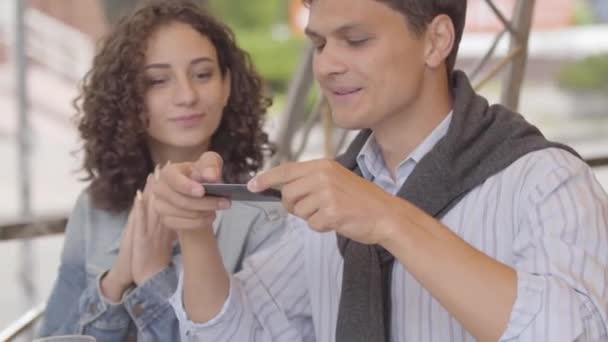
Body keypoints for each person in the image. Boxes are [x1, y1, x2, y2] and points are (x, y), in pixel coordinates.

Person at [153, 0, 608, 341]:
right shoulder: (335, 194)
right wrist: (194, 231)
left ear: (436, 41)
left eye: (356, 40)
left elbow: (577, 333)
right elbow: (238, 331)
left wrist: (391, 219)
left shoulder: (548, 181)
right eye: (319, 43)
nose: (327, 66)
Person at [37, 1, 286, 341]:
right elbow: (51, 337)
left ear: (226, 85)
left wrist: (154, 277)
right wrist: (115, 281)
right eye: (157, 80)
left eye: (202, 74)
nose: (186, 95)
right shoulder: (95, 209)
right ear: (127, 96)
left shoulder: (267, 216)